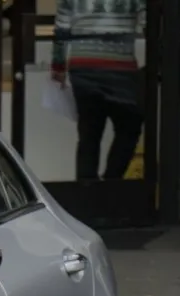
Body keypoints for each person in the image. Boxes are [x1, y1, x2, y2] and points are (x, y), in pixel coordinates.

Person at [51, 0, 146, 181]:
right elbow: (149, 23)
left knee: (89, 133)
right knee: (129, 127)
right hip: (120, 67)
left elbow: (61, 29)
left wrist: (58, 67)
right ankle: (111, 182)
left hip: (82, 65)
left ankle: (88, 189)